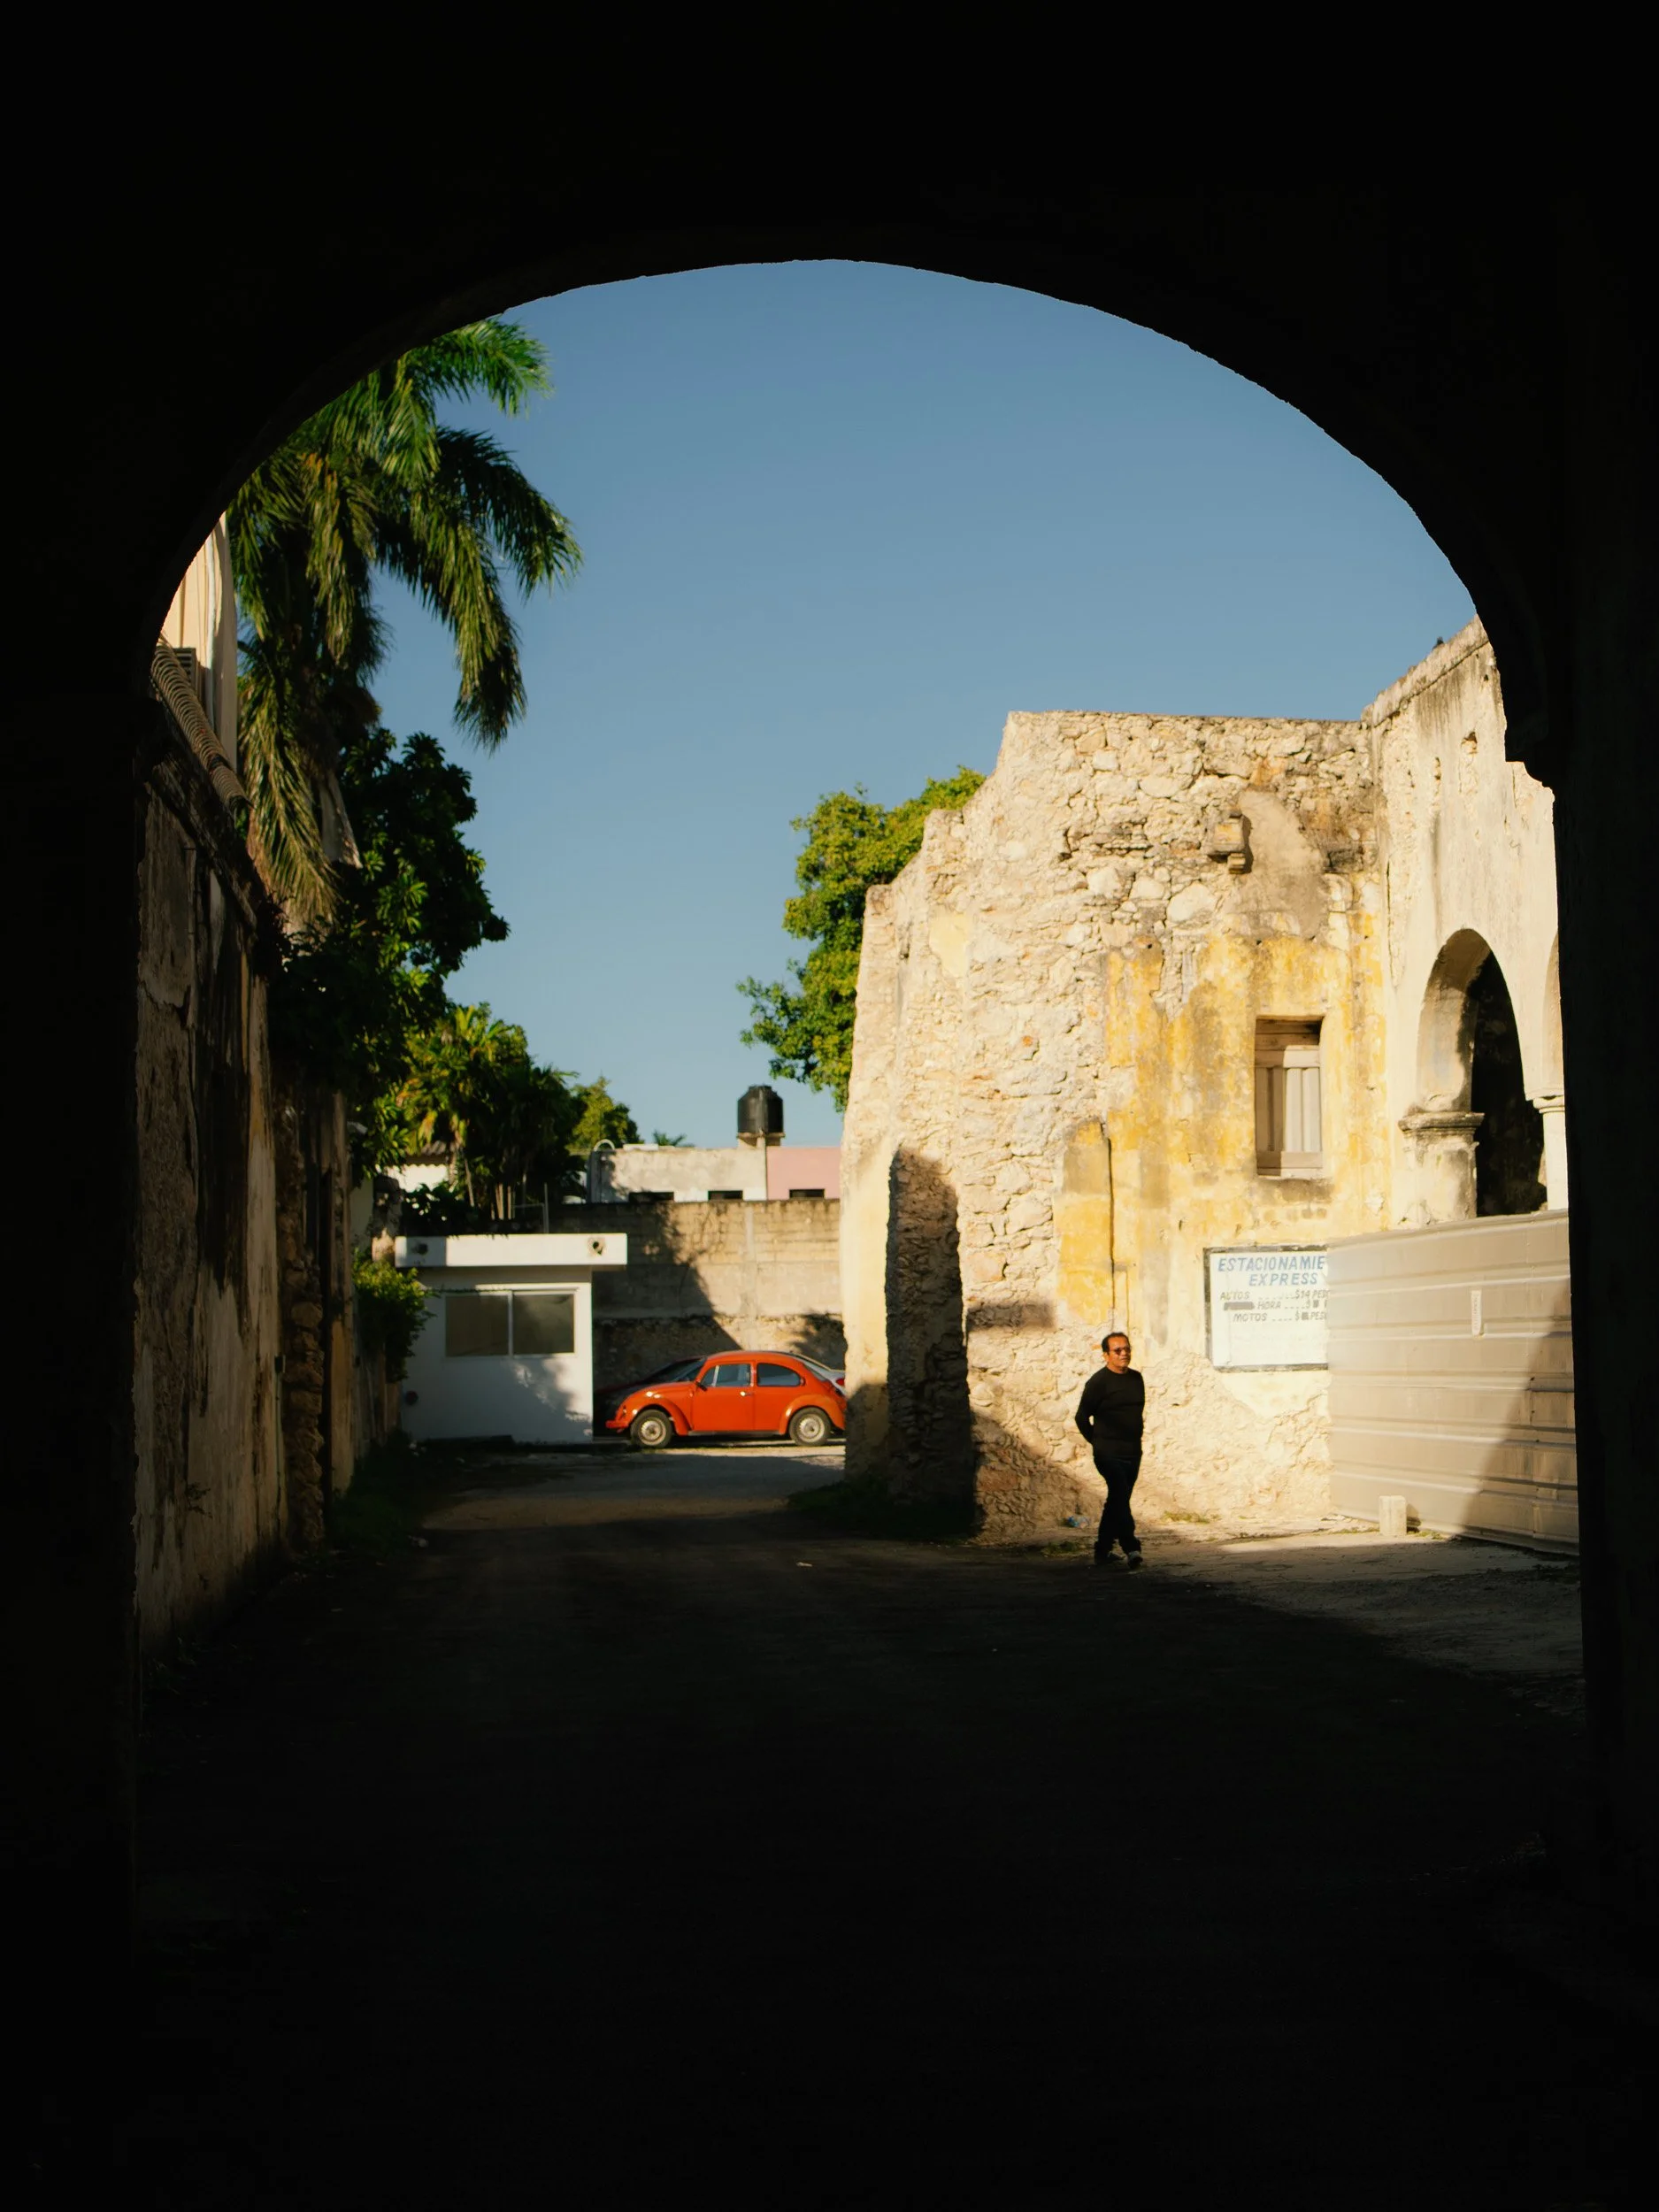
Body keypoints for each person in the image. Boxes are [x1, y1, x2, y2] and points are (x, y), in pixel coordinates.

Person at [1074, 1332, 1146, 1570]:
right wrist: (1097, 1443)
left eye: (1126, 1349)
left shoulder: (1136, 1379)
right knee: (1119, 1494)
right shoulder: (1098, 1382)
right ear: (1106, 1355)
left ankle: (1102, 1550)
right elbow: (1082, 1416)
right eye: (1117, 1350)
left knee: (1118, 1500)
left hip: (1133, 1451)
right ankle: (1131, 1547)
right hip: (1108, 1452)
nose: (1124, 1353)